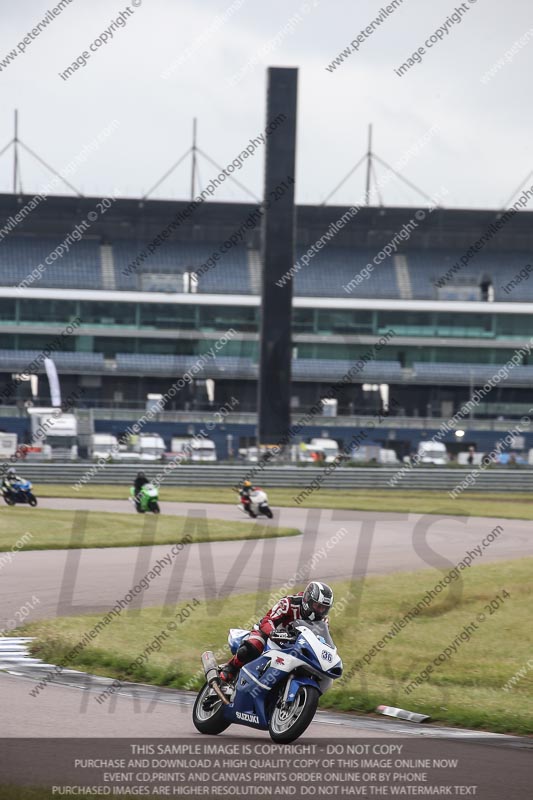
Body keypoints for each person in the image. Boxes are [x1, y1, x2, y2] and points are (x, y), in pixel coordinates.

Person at [219, 581, 334, 683]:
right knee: (254, 645)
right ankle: (231, 668)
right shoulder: (289, 603)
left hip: (293, 645)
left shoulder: (323, 621)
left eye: (324, 608)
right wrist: (273, 633)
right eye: (317, 606)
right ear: (307, 599)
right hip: (270, 635)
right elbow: (267, 620)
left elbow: (320, 640)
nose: (320, 610)